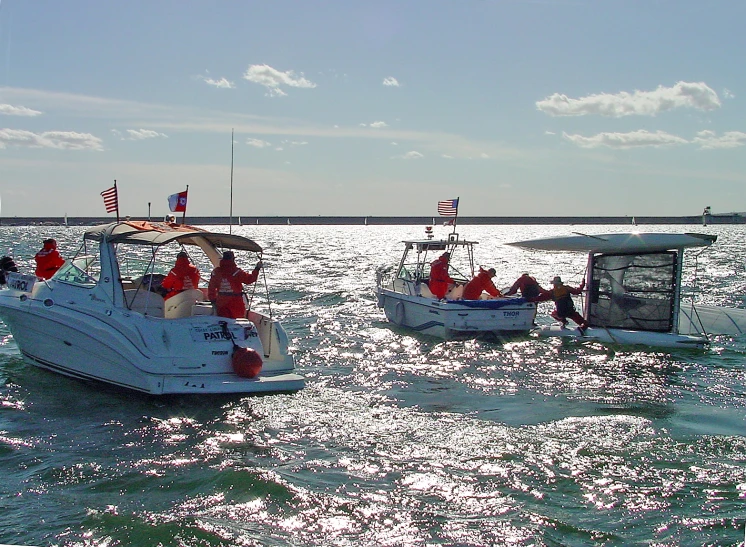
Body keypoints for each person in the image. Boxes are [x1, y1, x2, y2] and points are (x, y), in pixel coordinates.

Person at [208, 251, 263, 319]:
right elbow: (250, 279)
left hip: (221, 303)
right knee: (237, 323)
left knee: (223, 322)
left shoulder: (216, 272)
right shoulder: (236, 272)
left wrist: (213, 300)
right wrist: (257, 269)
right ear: (233, 259)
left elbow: (211, 288)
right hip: (236, 303)